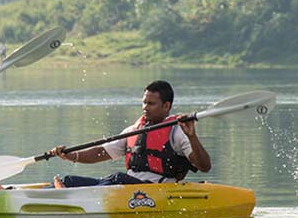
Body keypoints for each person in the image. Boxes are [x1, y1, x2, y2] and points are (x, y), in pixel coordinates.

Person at [49, 80, 211, 187]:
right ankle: (58, 190)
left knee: (118, 178)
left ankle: (69, 194)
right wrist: (70, 155)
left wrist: (192, 136)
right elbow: (100, 152)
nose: (145, 107)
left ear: (166, 106)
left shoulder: (178, 131)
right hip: (125, 189)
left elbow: (204, 166)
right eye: (144, 102)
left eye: (151, 103)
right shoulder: (134, 130)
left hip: (156, 191)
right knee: (69, 180)